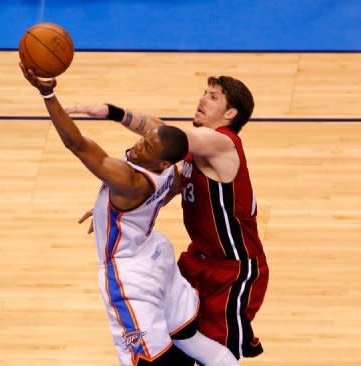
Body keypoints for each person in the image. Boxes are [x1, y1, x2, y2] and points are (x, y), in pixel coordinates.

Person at [19, 63, 239, 366]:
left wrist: (48, 94)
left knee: (150, 362)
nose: (137, 146)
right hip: (155, 253)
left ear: (160, 163)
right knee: (190, 337)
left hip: (129, 274)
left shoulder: (128, 181)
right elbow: (170, 188)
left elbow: (76, 144)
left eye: (147, 146)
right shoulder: (168, 171)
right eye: (144, 139)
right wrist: (104, 212)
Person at [67, 75, 269, 362]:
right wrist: (108, 211)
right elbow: (164, 180)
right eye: (204, 92)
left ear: (230, 114)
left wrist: (113, 113)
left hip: (234, 269)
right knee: (180, 333)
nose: (202, 99)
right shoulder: (193, 152)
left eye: (213, 97)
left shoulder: (223, 143)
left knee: (217, 347)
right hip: (200, 259)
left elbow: (165, 134)